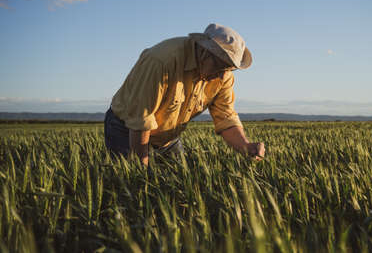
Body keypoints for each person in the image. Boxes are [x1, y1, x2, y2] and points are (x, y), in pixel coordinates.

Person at [104, 23, 265, 165]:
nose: (223, 75)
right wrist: (141, 171)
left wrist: (246, 146)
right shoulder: (161, 61)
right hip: (126, 130)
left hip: (167, 138)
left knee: (179, 182)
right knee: (133, 185)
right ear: (204, 52)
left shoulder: (223, 75)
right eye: (221, 66)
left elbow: (226, 117)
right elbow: (140, 120)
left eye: (230, 69)